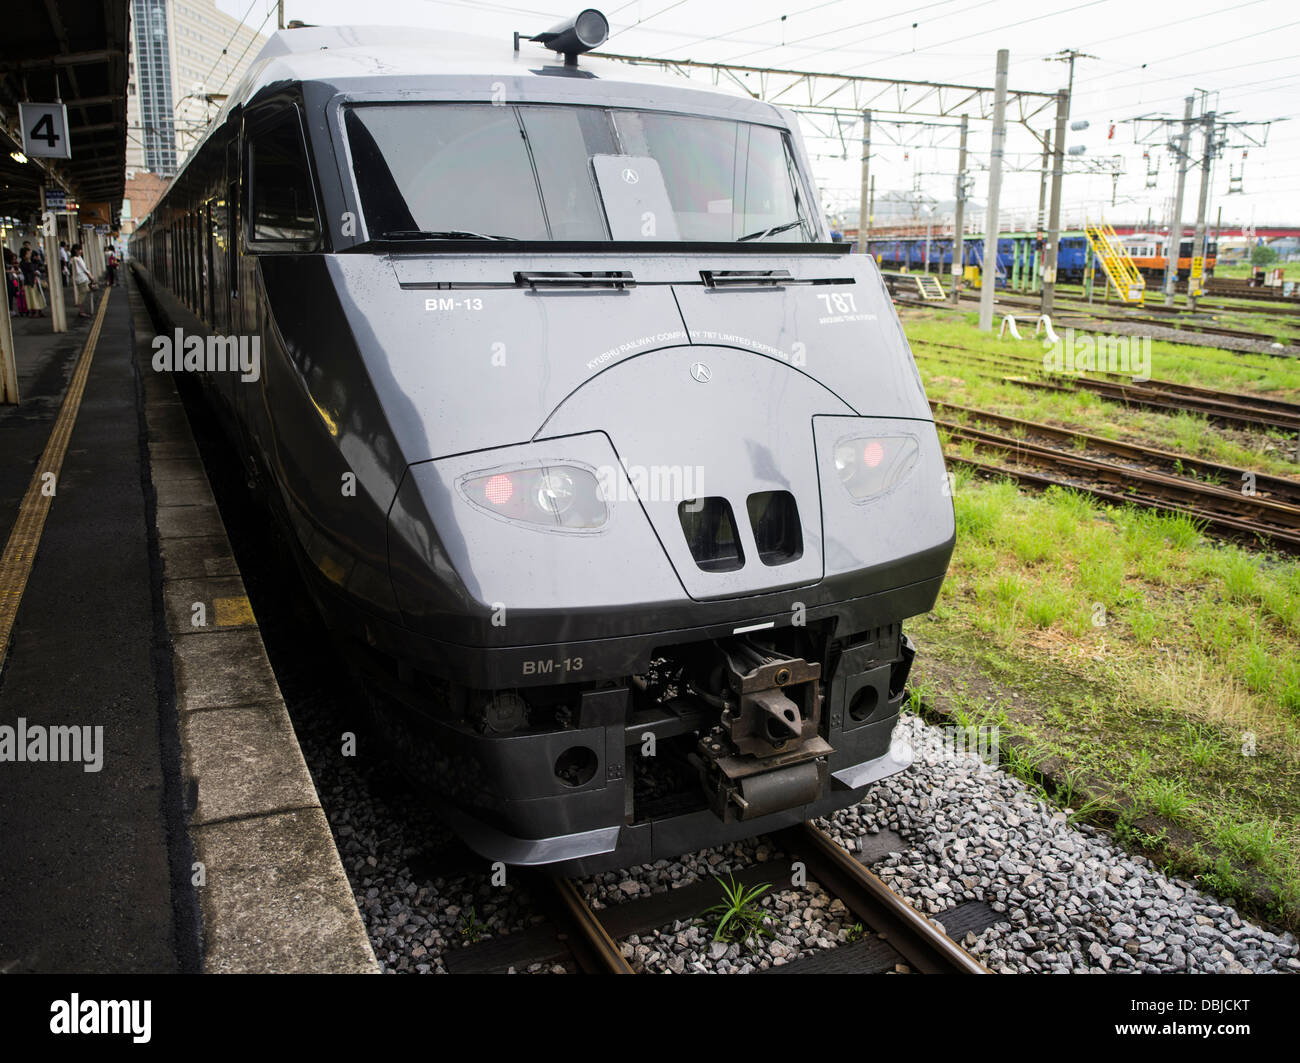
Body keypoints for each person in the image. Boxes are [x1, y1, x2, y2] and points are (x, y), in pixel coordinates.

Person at [19, 247, 46, 317]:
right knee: (33, 297)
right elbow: (30, 270)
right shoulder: (23, 263)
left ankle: (39, 311)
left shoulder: (30, 262)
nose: (29, 255)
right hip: (29, 282)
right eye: (28, 254)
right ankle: (35, 311)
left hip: (34, 281)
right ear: (24, 255)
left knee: (38, 296)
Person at [70, 243, 95, 318]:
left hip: (81, 279)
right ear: (75, 250)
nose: (81, 251)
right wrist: (90, 275)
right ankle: (81, 312)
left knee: (83, 294)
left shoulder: (77, 258)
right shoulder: (76, 259)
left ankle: (82, 311)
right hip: (81, 279)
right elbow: (83, 268)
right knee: (82, 295)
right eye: (79, 250)